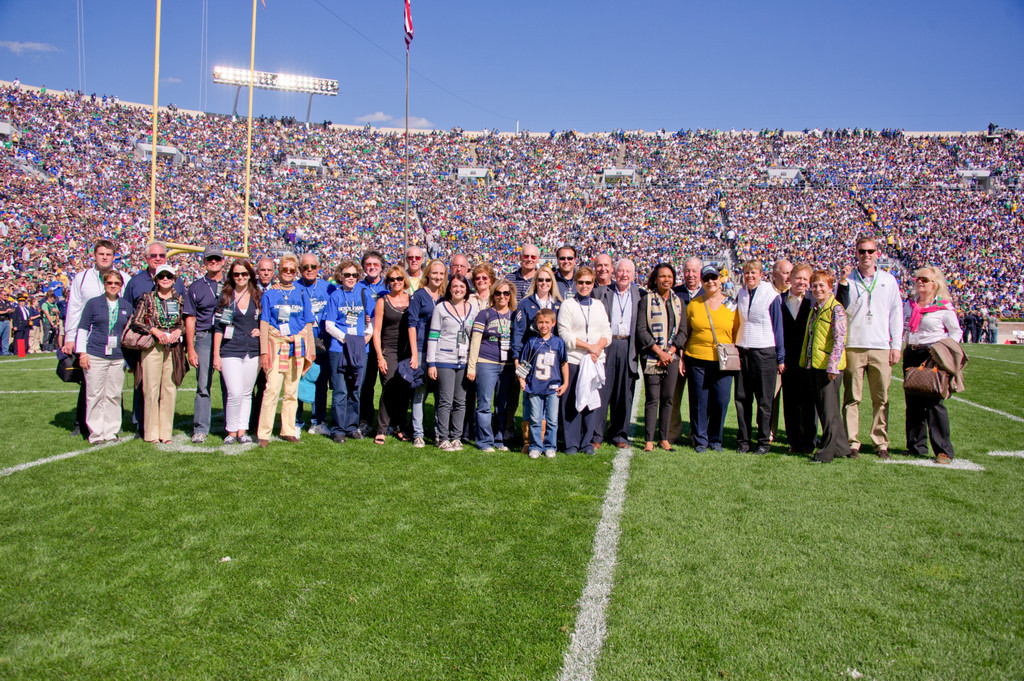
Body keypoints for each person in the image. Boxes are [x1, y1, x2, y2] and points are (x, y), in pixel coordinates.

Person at [837, 235, 903, 460]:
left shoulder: (888, 280)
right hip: (853, 345)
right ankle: (851, 442)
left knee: (881, 398)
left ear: (877, 254)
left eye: (870, 251)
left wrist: (896, 345)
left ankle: (880, 442)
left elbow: (896, 313)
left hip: (880, 346)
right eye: (862, 251)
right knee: (851, 398)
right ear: (856, 253)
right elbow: (840, 308)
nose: (866, 255)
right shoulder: (848, 279)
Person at [63, 239, 129, 438]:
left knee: (113, 390)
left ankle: (112, 427)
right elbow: (74, 308)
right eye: (101, 254)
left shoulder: (124, 278)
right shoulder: (82, 278)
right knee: (90, 387)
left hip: (115, 345)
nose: (104, 258)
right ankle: (84, 425)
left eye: (108, 254)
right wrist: (70, 337)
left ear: (114, 257)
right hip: (91, 341)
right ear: (94, 255)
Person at [124, 241, 185, 438]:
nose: (165, 279)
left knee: (169, 389)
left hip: (172, 348)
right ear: (156, 279)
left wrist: (179, 331)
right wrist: (154, 330)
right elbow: (135, 321)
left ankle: (165, 433)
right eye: (162, 276)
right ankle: (150, 432)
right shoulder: (147, 297)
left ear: (174, 280)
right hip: (152, 347)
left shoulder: (179, 300)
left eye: (169, 276)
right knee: (150, 389)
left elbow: (185, 322)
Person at [903, 267, 963, 464]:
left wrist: (944, 349)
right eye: (918, 279)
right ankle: (916, 446)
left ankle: (943, 449)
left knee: (934, 402)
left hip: (932, 354)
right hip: (912, 352)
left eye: (925, 279)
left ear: (934, 284)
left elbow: (956, 332)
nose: (920, 282)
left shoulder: (943, 307)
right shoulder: (909, 305)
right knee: (913, 401)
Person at [256, 254, 314, 447]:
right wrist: (264, 351)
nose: (288, 273)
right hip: (276, 346)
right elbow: (264, 324)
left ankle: (288, 430)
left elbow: (308, 322)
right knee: (271, 389)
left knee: (291, 392)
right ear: (279, 271)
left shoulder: (302, 293)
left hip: (297, 347)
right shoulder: (270, 294)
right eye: (284, 269)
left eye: (291, 270)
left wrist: (310, 349)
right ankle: (264, 433)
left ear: (296, 272)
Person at [680, 266, 738, 453]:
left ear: (720, 280)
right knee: (699, 400)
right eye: (706, 279)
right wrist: (682, 357)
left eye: (714, 278)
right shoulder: (694, 304)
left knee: (721, 400)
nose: (710, 282)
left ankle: (715, 439)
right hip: (696, 357)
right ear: (702, 282)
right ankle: (700, 439)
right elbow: (686, 332)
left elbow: (737, 331)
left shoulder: (731, 304)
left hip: (723, 359)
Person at [557, 267, 611, 455]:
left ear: (593, 283)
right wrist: (589, 347)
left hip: (595, 360)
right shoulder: (568, 305)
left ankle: (586, 442)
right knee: (571, 401)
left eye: (588, 282)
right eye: (581, 282)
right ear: (575, 283)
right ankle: (571, 443)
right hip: (574, 359)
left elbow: (607, 332)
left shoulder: (598, 305)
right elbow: (564, 334)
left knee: (591, 400)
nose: (584, 286)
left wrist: (598, 348)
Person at [734, 260, 785, 455]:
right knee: (742, 398)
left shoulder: (771, 295)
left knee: (764, 400)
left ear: (761, 274)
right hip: (743, 350)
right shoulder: (741, 293)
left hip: (764, 351)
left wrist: (780, 357)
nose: (749, 276)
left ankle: (763, 441)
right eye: (746, 273)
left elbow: (778, 327)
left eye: (753, 273)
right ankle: (744, 441)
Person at [799, 270, 851, 463]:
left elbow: (839, 338)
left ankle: (826, 452)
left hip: (828, 368)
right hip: (815, 365)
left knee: (828, 412)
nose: (818, 289)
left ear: (830, 287)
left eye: (822, 285)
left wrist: (833, 366)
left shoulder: (836, 309)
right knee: (827, 410)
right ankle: (841, 447)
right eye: (814, 286)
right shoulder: (816, 308)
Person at [76, 271, 132, 444]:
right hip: (95, 354)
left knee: (114, 395)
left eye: (116, 283)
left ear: (121, 285)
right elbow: (83, 328)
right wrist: (82, 352)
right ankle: (96, 433)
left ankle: (111, 431)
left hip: (117, 356)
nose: (113, 285)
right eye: (109, 282)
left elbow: (129, 333)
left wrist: (129, 358)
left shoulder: (126, 305)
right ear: (104, 284)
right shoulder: (93, 303)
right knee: (94, 394)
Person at [512, 264, 563, 452]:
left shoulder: (558, 304)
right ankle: (530, 442)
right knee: (530, 402)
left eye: (548, 280)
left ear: (552, 282)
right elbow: (518, 335)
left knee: (550, 405)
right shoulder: (526, 303)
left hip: (551, 362)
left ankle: (547, 443)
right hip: (530, 359)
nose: (544, 283)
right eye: (540, 279)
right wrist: (518, 365)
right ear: (535, 281)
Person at [636, 263, 687, 452]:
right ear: (655, 279)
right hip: (652, 356)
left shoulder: (678, 302)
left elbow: (683, 331)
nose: (666, 279)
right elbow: (641, 329)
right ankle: (649, 440)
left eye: (669, 276)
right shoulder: (647, 300)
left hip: (672, 357)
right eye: (662, 276)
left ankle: (663, 438)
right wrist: (659, 352)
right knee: (652, 398)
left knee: (668, 398)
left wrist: (670, 352)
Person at [212, 259, 262, 445]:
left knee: (247, 392)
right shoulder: (225, 297)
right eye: (236, 274)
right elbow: (218, 328)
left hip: (253, 350)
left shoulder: (258, 296)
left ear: (250, 275)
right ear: (231, 276)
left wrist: (261, 330)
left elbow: (265, 321)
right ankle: (231, 431)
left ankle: (242, 431)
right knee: (234, 392)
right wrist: (216, 354)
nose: (241, 277)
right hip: (230, 349)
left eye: (244, 274)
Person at [323, 260, 373, 444]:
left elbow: (373, 319)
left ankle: (351, 427)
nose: (351, 278)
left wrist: (366, 336)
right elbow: (329, 325)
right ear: (340, 276)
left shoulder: (364, 294)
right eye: (347, 275)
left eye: (354, 275)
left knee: (355, 389)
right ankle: (337, 429)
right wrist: (346, 340)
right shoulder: (335, 296)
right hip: (339, 348)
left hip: (360, 349)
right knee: (340, 390)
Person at [426, 273, 477, 452]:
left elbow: (474, 337)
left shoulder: (472, 309)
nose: (458, 289)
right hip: (444, 360)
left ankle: (456, 437)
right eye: (455, 286)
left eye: (462, 287)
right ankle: (443, 437)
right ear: (449, 288)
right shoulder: (441, 308)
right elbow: (433, 336)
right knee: (445, 400)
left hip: (464, 360)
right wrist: (431, 362)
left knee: (461, 401)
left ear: (467, 289)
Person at [467, 279, 518, 452]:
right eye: (498, 293)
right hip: (486, 363)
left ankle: (499, 439)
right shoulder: (484, 314)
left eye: (506, 293)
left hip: (508, 366)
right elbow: (475, 342)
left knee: (502, 405)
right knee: (484, 404)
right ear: (493, 295)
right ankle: (484, 441)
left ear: (510, 295)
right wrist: (472, 366)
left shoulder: (515, 315)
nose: (502, 296)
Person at [184, 245, 227, 444]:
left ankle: (231, 427)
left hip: (228, 336)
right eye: (210, 259)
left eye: (217, 258)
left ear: (223, 261)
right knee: (203, 385)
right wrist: (191, 348)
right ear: (204, 261)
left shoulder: (231, 283)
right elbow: (190, 318)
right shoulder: (196, 287)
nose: (214, 262)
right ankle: (200, 428)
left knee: (230, 384)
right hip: (205, 336)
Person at [597, 258, 641, 448]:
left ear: (633, 275)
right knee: (601, 390)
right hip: (607, 344)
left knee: (624, 393)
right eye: (621, 271)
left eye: (628, 271)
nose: (624, 275)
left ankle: (620, 435)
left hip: (628, 346)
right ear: (614, 273)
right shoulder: (601, 292)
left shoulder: (640, 295)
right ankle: (596, 435)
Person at [518, 308, 569, 459]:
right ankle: (535, 446)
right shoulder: (531, 341)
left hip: (553, 386)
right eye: (541, 322)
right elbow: (524, 362)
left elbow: (564, 363)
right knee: (535, 418)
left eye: (547, 322)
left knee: (552, 419)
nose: (544, 325)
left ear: (553, 323)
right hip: (534, 385)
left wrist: (565, 383)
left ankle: (550, 446)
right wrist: (521, 379)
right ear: (536, 323)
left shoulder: (558, 342)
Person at [372, 265, 412, 445]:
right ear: (388, 282)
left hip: (407, 351)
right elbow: (376, 331)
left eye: (399, 278)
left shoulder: (411, 300)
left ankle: (400, 427)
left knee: (404, 390)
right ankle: (381, 429)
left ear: (404, 280)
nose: (396, 282)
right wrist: (380, 357)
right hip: (389, 349)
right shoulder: (383, 301)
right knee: (389, 387)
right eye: (392, 279)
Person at [408, 259, 446, 447]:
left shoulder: (445, 296)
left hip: (442, 352)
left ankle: (439, 433)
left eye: (441, 274)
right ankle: (418, 433)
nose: (438, 277)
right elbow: (411, 325)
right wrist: (414, 354)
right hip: (422, 349)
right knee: (420, 393)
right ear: (428, 274)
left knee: (440, 394)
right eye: (434, 273)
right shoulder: (419, 296)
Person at [779, 263, 816, 453]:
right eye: (798, 278)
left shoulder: (814, 300)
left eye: (805, 279)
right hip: (787, 360)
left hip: (808, 361)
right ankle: (794, 441)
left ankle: (809, 441)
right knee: (790, 402)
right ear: (790, 279)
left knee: (808, 402)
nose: (801, 282)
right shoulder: (780, 300)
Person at [296, 252, 332, 435]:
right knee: (297, 381)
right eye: (305, 267)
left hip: (322, 342)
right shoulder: (293, 287)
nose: (309, 270)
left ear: (319, 268)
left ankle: (318, 420)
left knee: (320, 382)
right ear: (299, 269)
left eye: (313, 266)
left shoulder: (329, 288)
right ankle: (295, 421)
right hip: (300, 342)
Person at [669, 256, 703, 443]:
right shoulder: (674, 293)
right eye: (687, 271)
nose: (690, 275)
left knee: (698, 398)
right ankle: (671, 433)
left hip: (699, 354)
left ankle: (696, 434)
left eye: (694, 271)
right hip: (677, 352)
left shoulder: (708, 294)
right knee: (672, 396)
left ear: (700, 273)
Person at [358, 250, 388, 437]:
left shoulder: (389, 285)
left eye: (375, 264)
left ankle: (388, 423)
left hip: (387, 343)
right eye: (368, 264)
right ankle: (365, 421)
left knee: (388, 385)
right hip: (366, 344)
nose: (372, 267)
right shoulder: (357, 286)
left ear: (381, 267)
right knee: (366, 385)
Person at [248, 257, 277, 434]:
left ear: (273, 272)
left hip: (270, 344)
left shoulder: (278, 290)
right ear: (257, 271)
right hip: (250, 343)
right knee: (248, 385)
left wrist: (265, 330)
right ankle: (247, 421)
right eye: (262, 270)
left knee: (265, 385)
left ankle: (259, 422)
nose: (266, 273)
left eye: (269, 270)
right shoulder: (249, 289)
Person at [768, 259, 793, 439]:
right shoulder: (768, 294)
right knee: (771, 396)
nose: (789, 277)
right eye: (785, 273)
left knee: (792, 397)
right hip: (772, 353)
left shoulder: (795, 295)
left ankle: (793, 434)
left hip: (792, 354)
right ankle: (769, 432)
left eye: (791, 272)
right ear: (775, 274)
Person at [0, 290, 13, 355]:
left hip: (7, 320)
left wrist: (11, 311)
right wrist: (5, 311)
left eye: (6, 295)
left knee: (5, 338)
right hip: (1, 321)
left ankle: (5, 351)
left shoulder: (8, 302)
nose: (6, 296)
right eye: (4, 295)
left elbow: (11, 309)